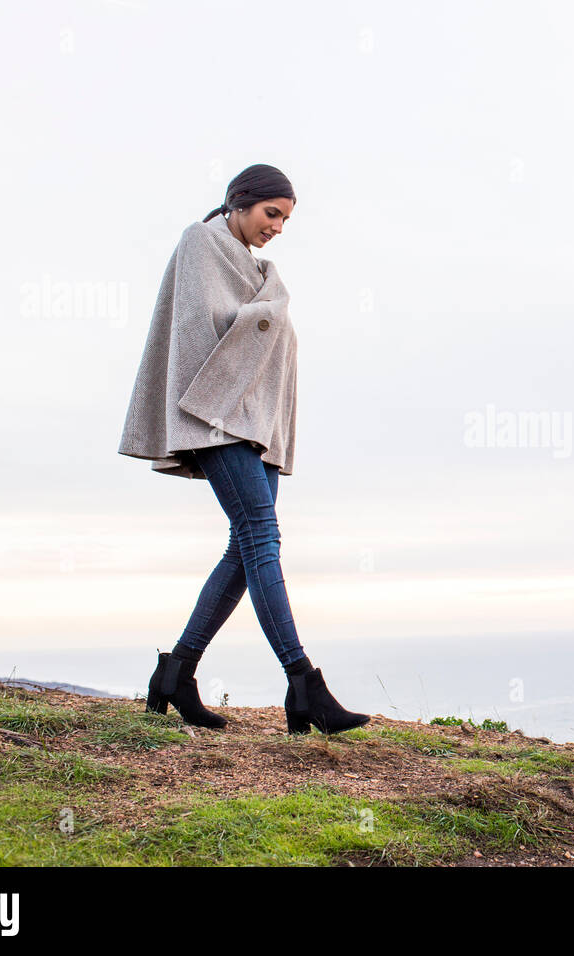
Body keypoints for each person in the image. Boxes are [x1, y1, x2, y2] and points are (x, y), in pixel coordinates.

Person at [117, 163, 369, 736]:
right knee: (261, 535)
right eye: (270, 213)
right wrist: (267, 316)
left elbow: (261, 336)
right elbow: (200, 329)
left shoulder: (258, 269)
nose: (277, 227)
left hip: (254, 422)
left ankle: (175, 674)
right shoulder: (200, 244)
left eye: (285, 218)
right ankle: (304, 683)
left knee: (243, 547)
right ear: (240, 202)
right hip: (213, 414)